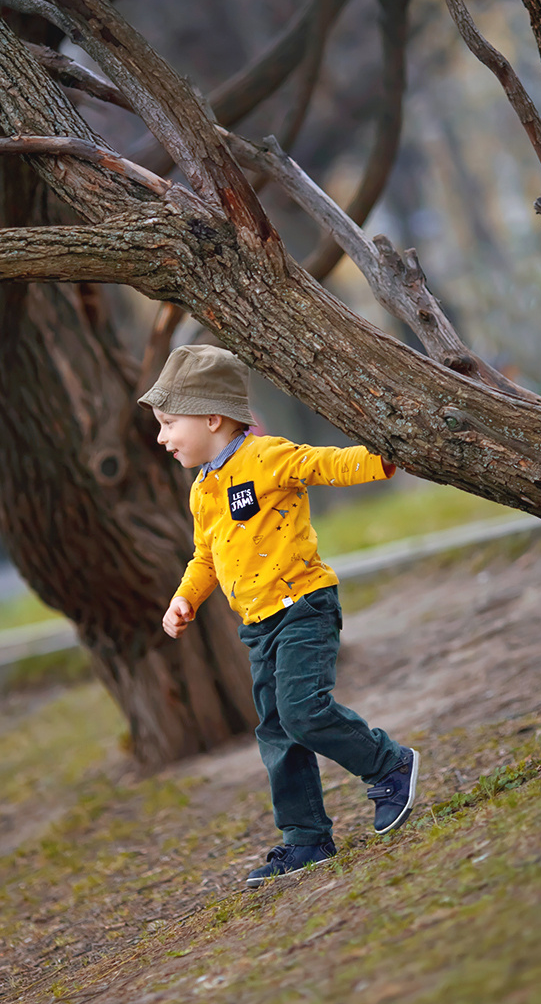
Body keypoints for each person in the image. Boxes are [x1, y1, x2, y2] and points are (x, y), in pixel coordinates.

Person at [139, 344, 419, 888]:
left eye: (170, 423)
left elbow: (322, 464)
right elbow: (206, 555)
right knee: (276, 731)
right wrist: (185, 597)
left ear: (212, 418)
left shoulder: (265, 457)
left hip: (304, 607)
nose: (161, 437)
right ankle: (306, 839)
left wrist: (381, 459)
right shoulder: (203, 491)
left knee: (302, 711)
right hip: (259, 625)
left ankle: (389, 766)